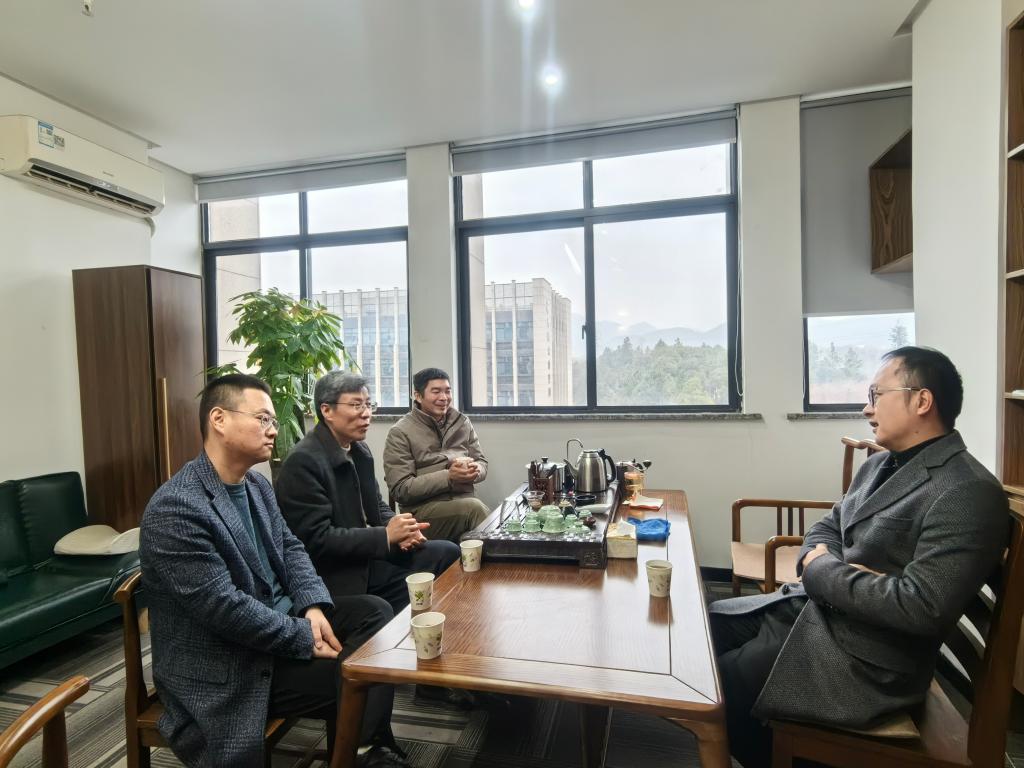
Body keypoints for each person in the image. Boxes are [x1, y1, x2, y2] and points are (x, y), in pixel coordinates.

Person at [708, 346, 1008, 768]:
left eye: (876, 395)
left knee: (720, 685)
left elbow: (920, 607)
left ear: (922, 401)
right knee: (705, 632)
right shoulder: (878, 465)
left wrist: (822, 568)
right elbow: (825, 528)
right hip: (819, 611)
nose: (866, 408)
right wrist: (839, 568)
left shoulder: (967, 491)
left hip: (867, 657)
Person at [139, 374, 410, 768]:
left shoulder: (256, 485)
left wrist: (312, 606)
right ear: (219, 419)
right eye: (263, 419)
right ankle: (364, 753)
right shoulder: (177, 508)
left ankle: (361, 750)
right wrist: (303, 636)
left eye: (273, 421)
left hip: (279, 623)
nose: (274, 430)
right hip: (229, 661)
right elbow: (225, 609)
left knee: (376, 613)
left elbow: (291, 548)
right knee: (359, 672)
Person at [275, 371, 459, 615]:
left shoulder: (359, 450)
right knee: (412, 593)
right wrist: (385, 536)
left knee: (447, 552)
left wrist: (401, 528)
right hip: (341, 572)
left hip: (371, 554)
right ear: (327, 410)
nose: (366, 413)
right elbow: (317, 540)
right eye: (356, 405)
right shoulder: (303, 462)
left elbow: (377, 505)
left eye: (368, 404)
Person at [383, 368, 490, 543]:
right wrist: (449, 477)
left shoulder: (462, 422)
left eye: (447, 391)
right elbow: (400, 489)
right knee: (475, 510)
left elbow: (482, 462)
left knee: (500, 514)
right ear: (418, 396)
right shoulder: (400, 432)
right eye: (436, 391)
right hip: (422, 512)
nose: (444, 397)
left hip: (463, 500)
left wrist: (475, 470)